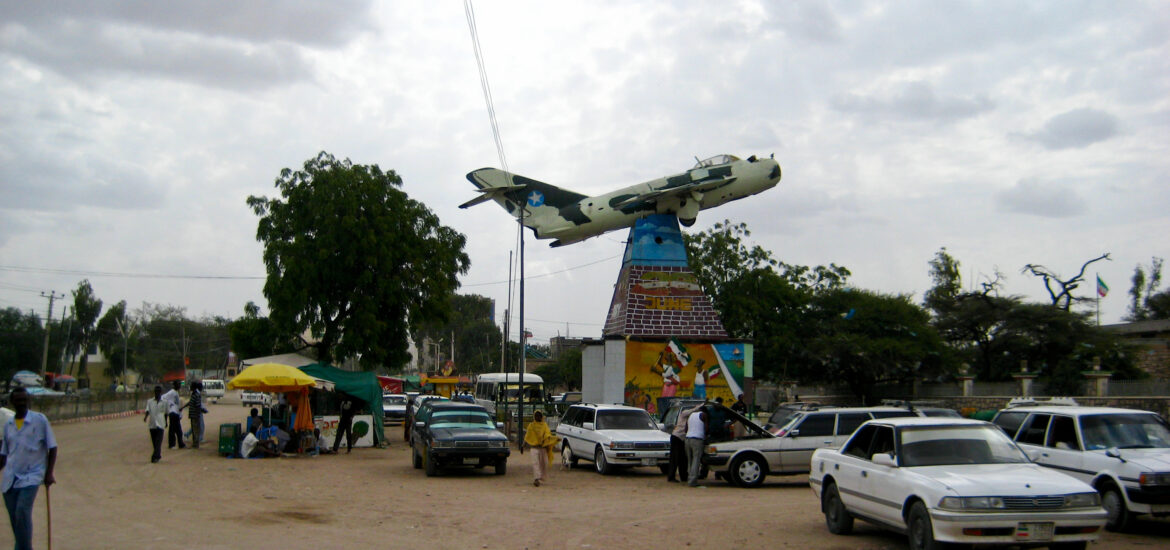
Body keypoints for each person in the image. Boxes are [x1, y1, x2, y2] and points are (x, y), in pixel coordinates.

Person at [1, 387, 58, 550]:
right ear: (12, 402)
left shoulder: (40, 420)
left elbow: (52, 447)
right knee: (16, 521)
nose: (21, 404)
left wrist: (49, 473)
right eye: (18, 401)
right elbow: (4, 454)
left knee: (22, 512)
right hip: (10, 479)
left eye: (24, 400)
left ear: (29, 401)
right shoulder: (9, 425)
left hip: (32, 475)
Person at [667, 402, 704, 483]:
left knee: (683, 459)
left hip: (684, 439)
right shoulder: (684, 413)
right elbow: (690, 412)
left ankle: (684, 476)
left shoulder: (692, 417)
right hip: (677, 437)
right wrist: (697, 407)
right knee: (675, 458)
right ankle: (671, 476)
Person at [523, 410, 558, 487]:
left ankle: (541, 477)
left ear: (541, 417)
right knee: (535, 463)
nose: (537, 417)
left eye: (539, 416)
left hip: (543, 448)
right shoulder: (531, 426)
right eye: (536, 416)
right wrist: (523, 446)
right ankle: (536, 479)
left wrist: (552, 441)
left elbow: (547, 435)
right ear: (534, 417)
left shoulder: (544, 425)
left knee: (543, 464)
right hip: (534, 448)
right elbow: (527, 436)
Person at [685, 404, 708, 487]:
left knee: (690, 460)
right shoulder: (703, 415)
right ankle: (693, 481)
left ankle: (689, 478)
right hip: (697, 439)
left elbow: (686, 429)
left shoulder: (690, 415)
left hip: (687, 439)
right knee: (696, 460)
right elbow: (706, 428)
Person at [143, 385, 167, 463]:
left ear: (161, 392)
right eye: (156, 391)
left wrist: (166, 422)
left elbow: (166, 413)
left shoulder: (164, 402)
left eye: (158, 391)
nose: (157, 393)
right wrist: (146, 417)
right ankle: (158, 455)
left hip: (161, 423)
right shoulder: (150, 401)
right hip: (152, 424)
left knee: (158, 442)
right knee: (154, 442)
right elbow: (147, 410)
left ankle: (154, 457)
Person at [180, 381, 206, 449]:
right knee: (194, 430)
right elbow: (190, 402)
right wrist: (183, 407)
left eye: (191, 386)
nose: (190, 387)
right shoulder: (194, 394)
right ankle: (195, 443)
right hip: (193, 415)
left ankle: (196, 444)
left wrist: (198, 414)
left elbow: (197, 406)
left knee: (196, 430)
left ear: (194, 387)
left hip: (195, 415)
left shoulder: (196, 395)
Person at [161, 380, 185, 449]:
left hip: (176, 412)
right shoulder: (172, 392)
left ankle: (180, 444)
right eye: (178, 384)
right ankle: (172, 444)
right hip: (172, 412)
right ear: (174, 385)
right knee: (173, 429)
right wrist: (169, 405)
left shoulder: (176, 393)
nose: (179, 386)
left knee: (178, 430)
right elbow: (163, 397)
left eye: (180, 384)